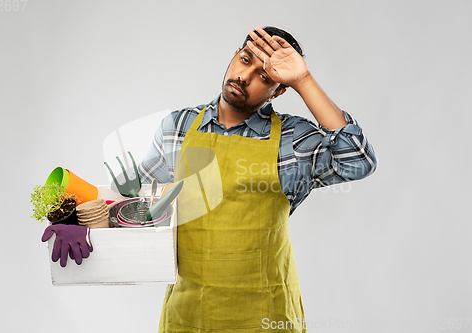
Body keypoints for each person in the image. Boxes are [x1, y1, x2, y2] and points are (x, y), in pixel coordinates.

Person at [43, 26, 377, 332]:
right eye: (244, 60)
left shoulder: (293, 141)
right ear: (234, 54)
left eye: (264, 76)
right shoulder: (179, 127)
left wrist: (303, 79)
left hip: (266, 315)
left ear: (278, 91)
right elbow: (135, 207)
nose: (244, 76)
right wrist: (78, 219)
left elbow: (357, 159)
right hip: (188, 315)